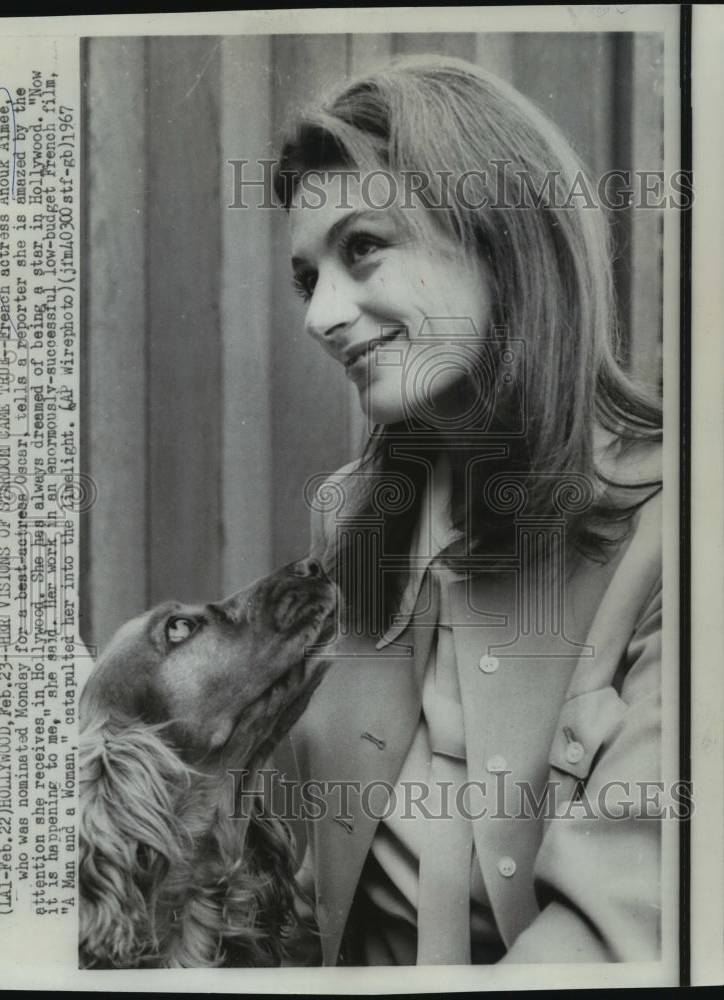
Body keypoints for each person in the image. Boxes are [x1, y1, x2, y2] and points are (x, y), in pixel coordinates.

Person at [273, 55, 664, 966]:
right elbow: (325, 901)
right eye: (305, 278)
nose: (320, 316)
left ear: (499, 229)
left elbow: (613, 940)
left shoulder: (681, 525)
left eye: (362, 245)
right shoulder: (350, 522)